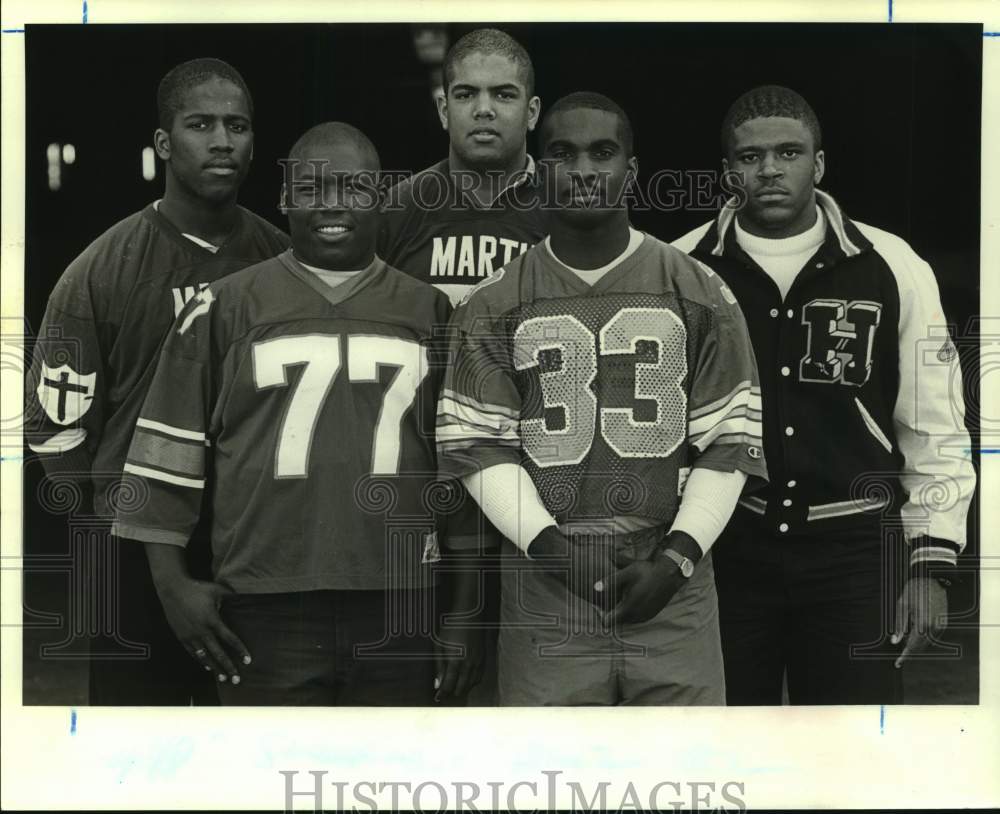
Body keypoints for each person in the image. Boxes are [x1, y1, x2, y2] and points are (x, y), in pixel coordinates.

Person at [113, 122, 483, 705]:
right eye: (311, 189)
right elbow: (165, 458)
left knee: (383, 785)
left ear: (381, 199)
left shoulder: (431, 311)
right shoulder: (224, 308)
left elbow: (462, 472)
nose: (331, 204)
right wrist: (172, 586)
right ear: (285, 200)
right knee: (269, 784)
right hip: (263, 602)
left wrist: (463, 612)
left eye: (353, 187)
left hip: (401, 599)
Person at [436, 92, 768, 705]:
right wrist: (554, 551)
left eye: (603, 153)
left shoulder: (697, 286)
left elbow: (731, 439)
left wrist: (677, 561)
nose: (584, 170)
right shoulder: (492, 301)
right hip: (546, 580)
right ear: (541, 172)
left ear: (631, 171)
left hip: (670, 578)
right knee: (553, 783)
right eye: (563, 153)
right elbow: (479, 448)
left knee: (685, 784)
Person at [671, 85, 976, 705]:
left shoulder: (890, 263)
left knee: (848, 751)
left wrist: (930, 563)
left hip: (855, 552)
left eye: (789, 153)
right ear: (729, 170)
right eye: (751, 158)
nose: (771, 170)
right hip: (727, 550)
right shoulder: (683, 266)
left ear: (820, 163)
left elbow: (935, 423)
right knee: (730, 743)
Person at [24, 58, 289, 705]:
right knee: (137, 748)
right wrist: (120, 537)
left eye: (237, 126)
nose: (222, 141)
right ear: (165, 143)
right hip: (133, 554)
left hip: (252, 544)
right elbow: (52, 426)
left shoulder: (281, 259)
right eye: (202, 125)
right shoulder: (102, 269)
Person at [378, 27, 548, 306]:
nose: (483, 109)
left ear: (531, 113)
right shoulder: (396, 209)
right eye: (466, 94)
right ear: (444, 111)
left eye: (503, 95)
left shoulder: (568, 208)